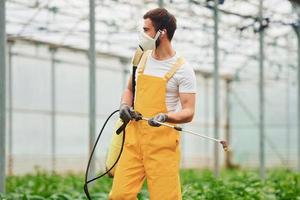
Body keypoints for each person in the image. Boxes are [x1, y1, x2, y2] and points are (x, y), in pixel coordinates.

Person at [109, 7, 196, 200]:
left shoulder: (183, 69)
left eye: (146, 29)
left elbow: (189, 111)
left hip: (161, 146)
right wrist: (124, 106)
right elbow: (129, 89)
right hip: (133, 141)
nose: (143, 34)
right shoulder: (141, 58)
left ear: (162, 33)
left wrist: (167, 116)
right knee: (119, 195)